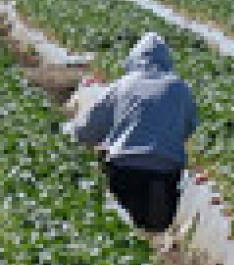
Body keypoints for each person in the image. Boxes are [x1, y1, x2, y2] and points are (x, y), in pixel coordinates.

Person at [67, 32, 197, 233]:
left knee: (121, 227)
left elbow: (88, 129)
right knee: (155, 226)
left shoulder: (123, 85)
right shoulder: (180, 88)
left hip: (125, 168)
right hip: (167, 170)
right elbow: (188, 128)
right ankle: (156, 222)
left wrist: (72, 134)